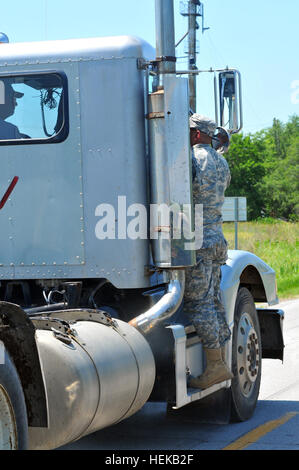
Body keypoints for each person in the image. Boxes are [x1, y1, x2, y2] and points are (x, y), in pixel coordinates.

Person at [184, 114, 233, 390]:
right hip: (217, 237)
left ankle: (215, 365)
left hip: (199, 240)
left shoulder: (192, 158)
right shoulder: (221, 161)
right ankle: (221, 361)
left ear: (195, 134)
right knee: (214, 300)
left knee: (198, 303)